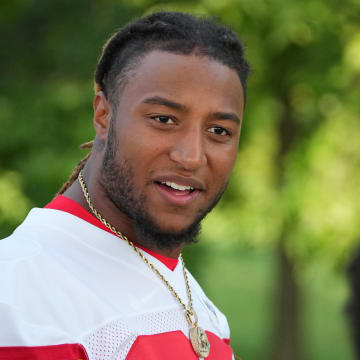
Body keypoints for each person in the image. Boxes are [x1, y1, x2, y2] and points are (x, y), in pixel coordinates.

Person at [0, 11, 249, 360]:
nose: (192, 157)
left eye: (218, 131)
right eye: (164, 120)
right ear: (103, 115)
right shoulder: (20, 299)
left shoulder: (191, 296)